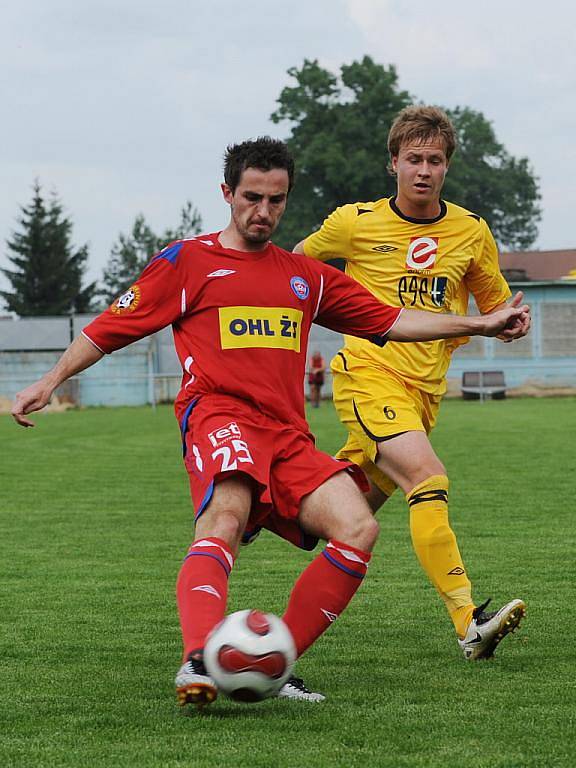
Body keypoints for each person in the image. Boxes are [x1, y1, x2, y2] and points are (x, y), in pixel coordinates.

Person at [12, 137, 529, 709]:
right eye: (252, 198)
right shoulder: (188, 262)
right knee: (225, 517)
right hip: (218, 415)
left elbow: (391, 320)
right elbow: (108, 328)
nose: (263, 212)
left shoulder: (305, 277)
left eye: (276, 200)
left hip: (286, 436)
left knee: (359, 527)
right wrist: (49, 380)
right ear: (227, 193)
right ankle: (197, 661)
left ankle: (273, 663)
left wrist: (480, 324)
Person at [293, 106, 529, 662]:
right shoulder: (354, 222)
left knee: (347, 511)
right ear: (393, 162)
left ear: (446, 167)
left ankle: (264, 510)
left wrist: (513, 324)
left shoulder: (470, 232)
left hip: (425, 394)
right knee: (428, 478)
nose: (424, 170)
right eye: (414, 159)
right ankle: (470, 620)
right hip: (367, 375)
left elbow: (498, 307)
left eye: (435, 160)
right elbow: (293, 268)